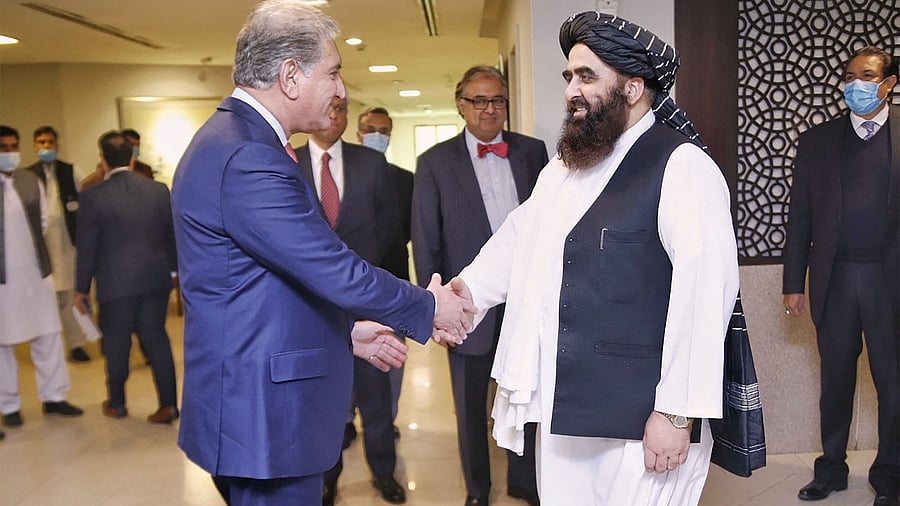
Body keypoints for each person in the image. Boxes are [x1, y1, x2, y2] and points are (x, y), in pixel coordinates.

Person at [170, 2, 474, 504]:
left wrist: (344, 332)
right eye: (333, 72)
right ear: (290, 75)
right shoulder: (249, 155)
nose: (341, 89)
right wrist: (429, 305)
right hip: (264, 419)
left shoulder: (233, 139)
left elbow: (259, 284)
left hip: (251, 402)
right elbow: (330, 267)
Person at [450, 12, 740, 505]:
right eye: (569, 76)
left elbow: (705, 294)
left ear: (632, 88)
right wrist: (466, 294)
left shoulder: (682, 166)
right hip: (565, 412)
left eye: (587, 76)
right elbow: (520, 238)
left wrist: (675, 414)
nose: (570, 91)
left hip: (641, 419)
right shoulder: (565, 167)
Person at [411, 65, 547, 506]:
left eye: (498, 100)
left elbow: (550, 224)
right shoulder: (434, 162)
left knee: (526, 394)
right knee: (470, 407)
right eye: (479, 100)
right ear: (461, 105)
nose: (490, 109)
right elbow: (426, 238)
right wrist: (433, 308)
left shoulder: (533, 151)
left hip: (527, 300)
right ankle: (477, 490)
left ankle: (525, 482)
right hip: (466, 305)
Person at [783, 46, 899, 506]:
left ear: (889, 83)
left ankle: (889, 473)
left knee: (892, 384)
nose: (856, 84)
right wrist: (794, 281)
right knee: (835, 382)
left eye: (867, 76)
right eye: (850, 75)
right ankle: (830, 468)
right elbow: (800, 219)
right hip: (835, 279)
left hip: (889, 282)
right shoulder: (817, 141)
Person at [294, 96, 407, 505]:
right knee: (323, 403)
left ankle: (384, 472)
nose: (334, 116)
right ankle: (326, 479)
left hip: (366, 302)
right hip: (311, 307)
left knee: (376, 399)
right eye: (328, 108)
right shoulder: (287, 163)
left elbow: (390, 230)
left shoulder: (370, 164)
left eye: (341, 110)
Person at [73, 130, 179, 424]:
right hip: (156, 280)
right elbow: (172, 236)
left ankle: (117, 403)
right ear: (133, 159)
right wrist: (172, 272)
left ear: (103, 161)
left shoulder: (92, 196)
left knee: (117, 344)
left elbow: (87, 247)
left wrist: (81, 288)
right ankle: (169, 405)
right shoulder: (158, 190)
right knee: (157, 340)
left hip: (115, 283)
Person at [0, 125, 84, 429]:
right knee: (3, 344)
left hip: (37, 272)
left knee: (48, 334)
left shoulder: (28, 179)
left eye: (12, 146)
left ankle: (54, 397)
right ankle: (8, 405)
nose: (9, 153)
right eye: (3, 147)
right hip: (3, 281)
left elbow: (44, 225)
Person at [357, 105, 414, 432]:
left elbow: (410, 230)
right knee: (349, 357)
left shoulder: (405, 181)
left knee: (392, 356)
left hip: (393, 283)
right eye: (371, 130)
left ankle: (385, 420)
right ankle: (347, 419)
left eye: (384, 131)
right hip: (349, 285)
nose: (377, 136)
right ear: (359, 134)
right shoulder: (343, 174)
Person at [24, 126, 90, 362]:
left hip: (68, 243)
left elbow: (86, 204)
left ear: (56, 145)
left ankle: (78, 344)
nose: (45, 147)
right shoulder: (27, 176)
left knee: (71, 298)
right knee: (47, 300)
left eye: (49, 142)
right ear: (34, 146)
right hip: (41, 248)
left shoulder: (71, 171)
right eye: (41, 143)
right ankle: (50, 350)